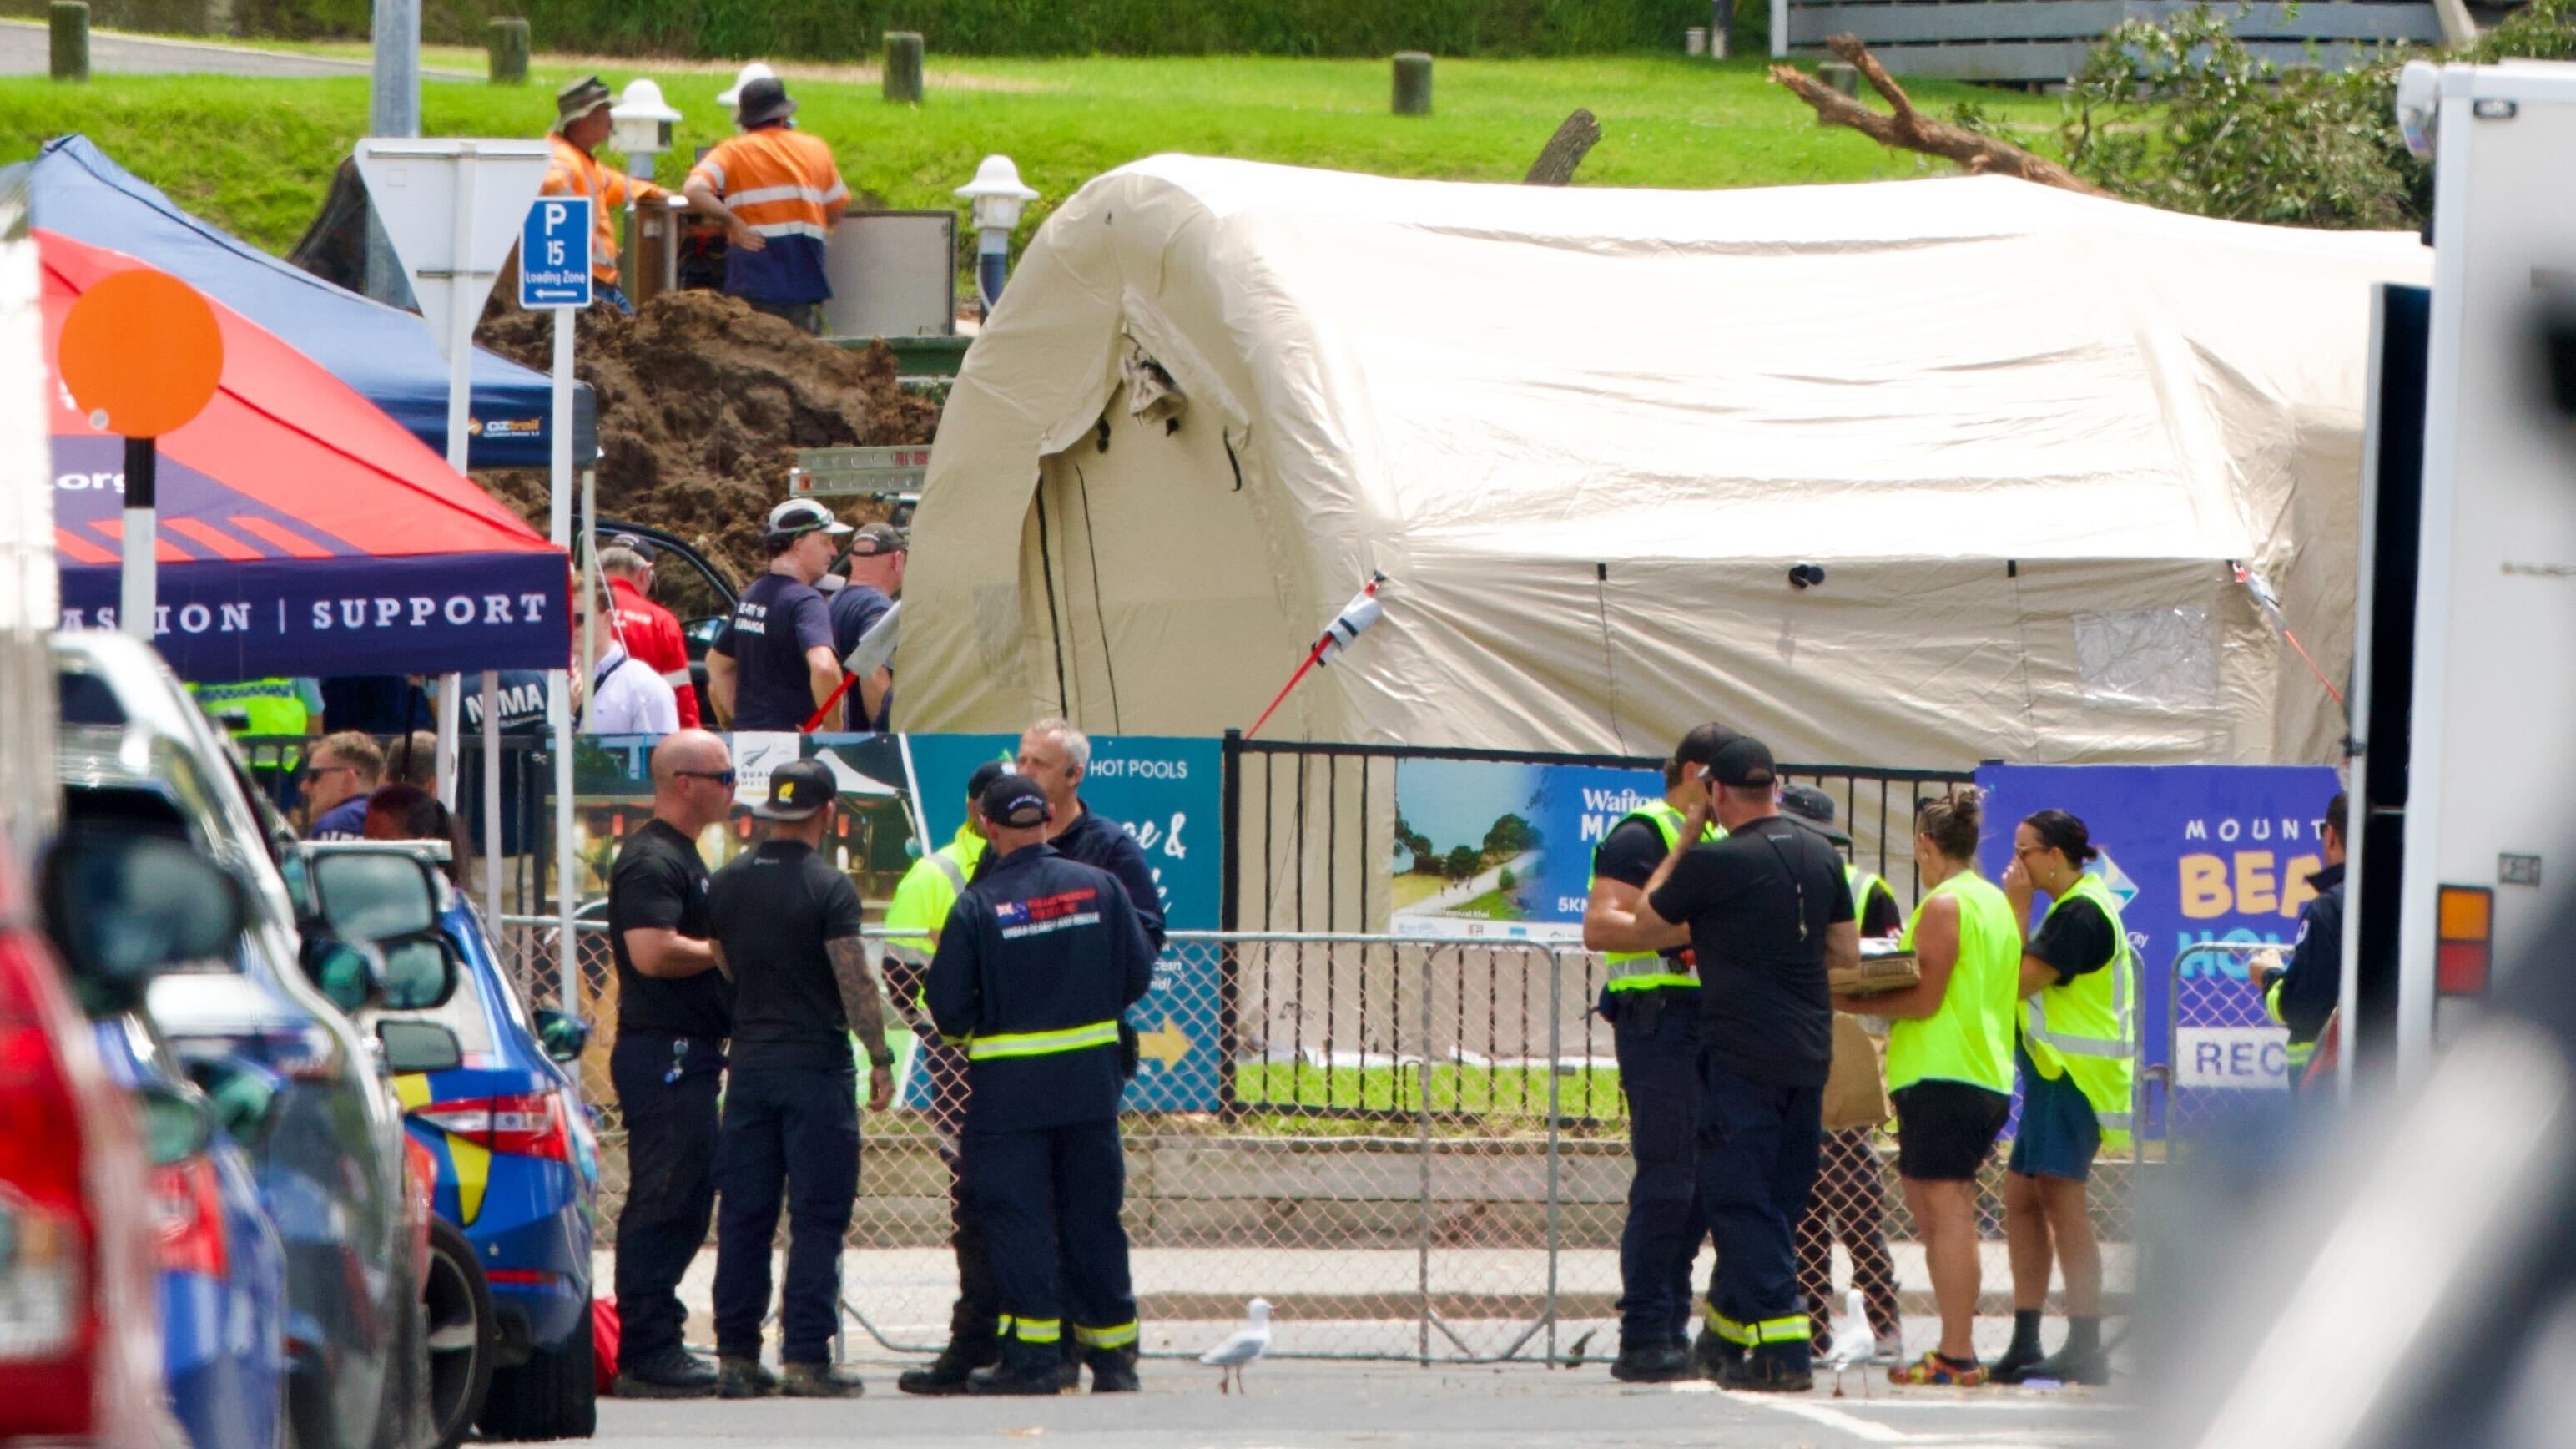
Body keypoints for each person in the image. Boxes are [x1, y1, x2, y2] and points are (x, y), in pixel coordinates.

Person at [1626, 733, 1859, 1393]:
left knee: (1737, 1197)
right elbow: (1844, 952)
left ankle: (1784, 1349)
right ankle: (1727, 1337)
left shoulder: (1714, 862)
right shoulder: (1820, 854)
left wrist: (1686, 837)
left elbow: (1645, 920)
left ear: (1715, 790)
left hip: (1739, 1055)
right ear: (1775, 789)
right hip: (1808, 1052)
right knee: (1778, 1198)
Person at [925, 772, 1157, 1396]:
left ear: (986, 826)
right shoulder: (1102, 887)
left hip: (1010, 1096)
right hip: (1090, 1088)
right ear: (1049, 815)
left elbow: (947, 1010)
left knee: (1020, 1220)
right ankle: (1114, 1360)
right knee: (1094, 1220)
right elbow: (1136, 976)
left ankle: (1031, 1361)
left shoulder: (976, 904)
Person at [706, 759, 897, 1398]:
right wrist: (879, 1055)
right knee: (816, 1215)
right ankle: (806, 1358)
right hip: (816, 1068)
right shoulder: (829, 887)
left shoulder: (726, 882)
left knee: (744, 1215)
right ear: (827, 814)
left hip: (751, 1065)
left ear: (769, 814)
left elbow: (724, 964)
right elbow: (853, 980)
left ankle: (735, 1356)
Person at [1830, 792, 2019, 1386]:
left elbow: (1924, 997)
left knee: (1946, 1213)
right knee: (1941, 1209)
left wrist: (1841, 996)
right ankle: (1952, 1347)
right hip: (1977, 1069)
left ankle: (1956, 1350)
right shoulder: (1991, 902)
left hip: (1946, 1072)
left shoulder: (1945, 904)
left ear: (1924, 845)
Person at [1577, 724, 1732, 1382]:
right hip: (1658, 1024)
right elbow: (1600, 926)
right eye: (1734, 780)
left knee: (1702, 1189)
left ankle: (1672, 1321)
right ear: (1697, 773)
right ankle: (1643, 1333)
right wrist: (1701, 926)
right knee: (1668, 1180)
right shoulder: (1643, 834)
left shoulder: (1725, 837)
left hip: (1715, 1024)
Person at [606, 730, 736, 1398]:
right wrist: (726, 950)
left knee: (686, 1193)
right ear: (683, 782)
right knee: (665, 1195)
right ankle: (647, 1347)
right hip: (665, 1049)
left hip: (689, 1050)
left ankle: (657, 1337)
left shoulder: (685, 856)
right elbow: (653, 952)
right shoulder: (651, 860)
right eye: (724, 776)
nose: (732, 787)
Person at [1993, 809, 2133, 1387]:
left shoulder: (2079, 913)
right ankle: (2026, 1339)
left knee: (2061, 1202)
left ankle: (2084, 1343)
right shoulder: (2074, 907)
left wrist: (2018, 909)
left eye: (2025, 851)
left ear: (2055, 855)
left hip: (2076, 1079)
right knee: (2021, 1197)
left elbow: (2016, 980)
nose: (2015, 863)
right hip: (2052, 1076)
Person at [889, 759, 1011, 1396]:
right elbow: (901, 973)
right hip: (961, 1062)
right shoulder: (934, 874)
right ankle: (981, 1334)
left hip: (1021, 1059)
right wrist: (945, 1035)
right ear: (973, 809)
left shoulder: (1036, 867)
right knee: (975, 1199)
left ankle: (1018, 1331)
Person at [1777, 785, 1903, 1367]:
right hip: (1788, 1046)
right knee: (1799, 1203)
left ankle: (1881, 1319)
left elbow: (1885, 970)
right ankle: (1810, 1330)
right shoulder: (1771, 881)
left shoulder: (1866, 891)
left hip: (1844, 1048)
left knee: (1853, 1195)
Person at [681, 76, 849, 333]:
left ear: (747, 122)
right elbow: (836, 211)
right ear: (783, 117)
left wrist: (732, 222)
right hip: (803, 286)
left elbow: (693, 190)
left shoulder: (732, 151)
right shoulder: (817, 149)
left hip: (752, 286)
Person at [1006, 719, 1167, 948]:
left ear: (1074, 774)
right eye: (1021, 761)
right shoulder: (1005, 840)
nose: (1026, 772)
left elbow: (1148, 931)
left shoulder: (1112, 846)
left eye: (1040, 764)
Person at [705, 499, 849, 731]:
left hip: (752, 751)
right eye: (826, 541)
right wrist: (833, 733)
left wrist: (741, 726)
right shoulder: (807, 601)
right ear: (798, 545)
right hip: (796, 754)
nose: (834, 551)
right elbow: (824, 667)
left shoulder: (753, 594)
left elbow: (716, 665)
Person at [541, 75, 668, 313]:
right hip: (582, 285)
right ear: (585, 118)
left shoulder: (582, 161)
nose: (612, 118)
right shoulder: (562, 161)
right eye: (606, 110)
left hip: (599, 283)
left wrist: (660, 193)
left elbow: (621, 185)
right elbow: (548, 189)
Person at [2251, 792, 2347, 1092]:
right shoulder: (2411, 903)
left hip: (2322, 1083)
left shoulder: (2329, 908)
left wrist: (2267, 975)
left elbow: (2302, 1005)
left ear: (2331, 836)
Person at [602, 536, 703, 727]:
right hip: (647, 740)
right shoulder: (660, 621)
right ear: (645, 573)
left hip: (585, 736)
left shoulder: (576, 611)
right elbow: (680, 695)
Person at [828, 522, 905, 732]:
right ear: (898, 560)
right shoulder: (878, 607)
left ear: (852, 559)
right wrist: (885, 733)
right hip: (863, 743)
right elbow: (872, 670)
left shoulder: (833, 602)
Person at [577, 587, 680, 735]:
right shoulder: (553, 681)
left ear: (607, 619)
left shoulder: (644, 686)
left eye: (579, 619)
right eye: (563, 618)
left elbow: (661, 756)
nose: (569, 627)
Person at [360, 783, 470, 886]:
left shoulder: (442, 898)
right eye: (367, 838)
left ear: (422, 840)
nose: (369, 847)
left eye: (381, 840)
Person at [301, 730, 386, 839]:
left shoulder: (332, 825)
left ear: (348, 778)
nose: (304, 786)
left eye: (314, 775)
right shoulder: (399, 823)